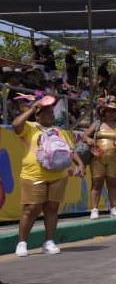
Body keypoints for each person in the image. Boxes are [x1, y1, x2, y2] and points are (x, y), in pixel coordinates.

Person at [12, 94, 84, 257]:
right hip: (33, 175)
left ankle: (49, 241)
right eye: (45, 112)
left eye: (51, 113)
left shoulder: (60, 131)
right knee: (31, 209)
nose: (50, 115)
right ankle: (22, 242)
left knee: (52, 208)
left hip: (58, 175)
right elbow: (15, 124)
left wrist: (79, 164)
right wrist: (32, 108)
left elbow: (70, 151)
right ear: (38, 115)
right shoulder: (29, 127)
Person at [83, 96, 116, 219]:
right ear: (104, 113)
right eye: (108, 111)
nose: (111, 114)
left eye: (113, 112)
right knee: (97, 184)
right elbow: (85, 136)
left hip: (114, 158)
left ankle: (114, 208)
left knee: (112, 183)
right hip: (98, 158)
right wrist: (90, 140)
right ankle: (94, 209)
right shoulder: (97, 124)